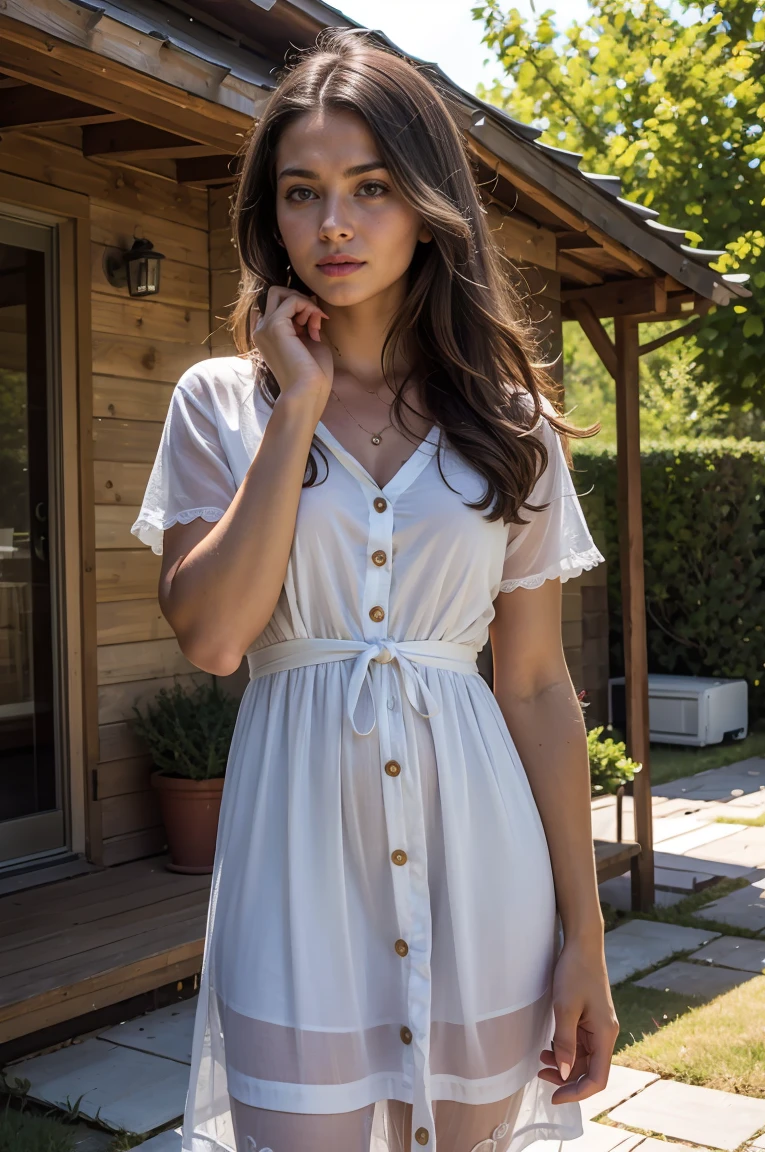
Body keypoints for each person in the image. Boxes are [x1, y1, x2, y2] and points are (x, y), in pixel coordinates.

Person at [131, 27, 618, 1152]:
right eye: (302, 194)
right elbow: (212, 636)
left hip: (484, 868)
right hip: (292, 874)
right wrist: (294, 405)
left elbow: (537, 686)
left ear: (428, 205)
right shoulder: (223, 404)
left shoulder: (515, 428)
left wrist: (584, 938)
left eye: (372, 188)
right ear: (272, 216)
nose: (334, 224)